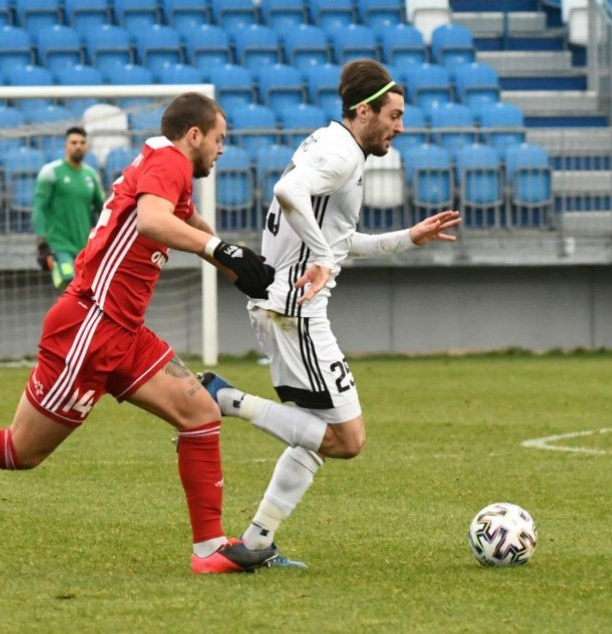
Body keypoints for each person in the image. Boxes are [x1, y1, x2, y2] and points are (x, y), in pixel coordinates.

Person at [0, 92, 278, 574]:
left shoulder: (166, 163)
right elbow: (154, 221)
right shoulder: (172, 163)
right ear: (195, 135)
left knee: (199, 413)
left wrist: (232, 259)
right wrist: (222, 250)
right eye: (220, 139)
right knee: (20, 450)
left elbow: (182, 217)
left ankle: (208, 549)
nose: (223, 149)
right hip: (90, 326)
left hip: (123, 330)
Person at [199, 59, 462, 567]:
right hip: (297, 310)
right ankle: (223, 398)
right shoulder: (341, 155)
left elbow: (342, 243)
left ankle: (254, 545)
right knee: (348, 439)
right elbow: (288, 194)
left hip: (283, 306)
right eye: (394, 115)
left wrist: (409, 238)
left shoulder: (332, 145)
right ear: (364, 111)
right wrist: (320, 256)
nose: (400, 127)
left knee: (317, 435)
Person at [33, 126, 106, 288]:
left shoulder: (91, 175)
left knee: (86, 291)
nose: (78, 146)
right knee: (70, 284)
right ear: (65, 146)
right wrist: (41, 240)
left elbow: (103, 209)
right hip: (59, 246)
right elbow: (39, 208)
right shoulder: (50, 172)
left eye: (82, 142)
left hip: (85, 248)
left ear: (87, 146)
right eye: (73, 142)